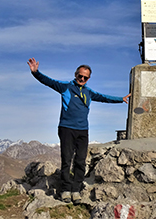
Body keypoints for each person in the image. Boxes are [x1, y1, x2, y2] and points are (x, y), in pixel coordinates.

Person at [27, 58, 131, 205]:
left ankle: (76, 190)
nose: (81, 79)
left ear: (88, 78)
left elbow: (103, 97)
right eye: (79, 76)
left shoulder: (89, 92)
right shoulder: (65, 87)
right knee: (66, 160)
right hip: (66, 128)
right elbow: (48, 81)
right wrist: (36, 72)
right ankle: (65, 190)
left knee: (80, 161)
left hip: (83, 130)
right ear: (75, 74)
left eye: (85, 77)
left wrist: (120, 99)